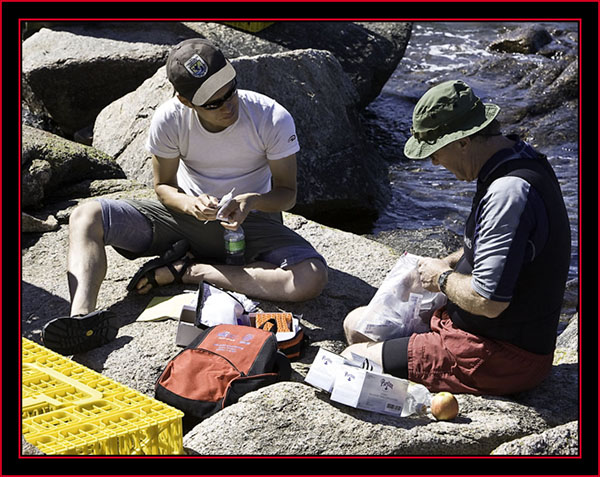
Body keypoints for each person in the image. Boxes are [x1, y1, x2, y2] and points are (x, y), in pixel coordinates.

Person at [42, 39, 328, 356]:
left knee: (310, 279)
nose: (228, 105)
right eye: (212, 103)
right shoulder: (170, 119)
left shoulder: (271, 117)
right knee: (86, 215)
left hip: (251, 226)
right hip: (183, 220)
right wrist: (188, 204)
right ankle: (82, 319)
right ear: (185, 100)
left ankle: (190, 271)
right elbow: (163, 186)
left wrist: (252, 201)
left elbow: (287, 195)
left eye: (230, 90)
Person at [342, 80, 571, 395]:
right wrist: (448, 262)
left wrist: (441, 278)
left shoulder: (507, 192)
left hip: (498, 355)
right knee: (356, 325)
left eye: (435, 151)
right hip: (476, 332)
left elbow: (488, 301)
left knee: (353, 359)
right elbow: (503, 252)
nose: (434, 162)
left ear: (463, 141)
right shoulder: (517, 158)